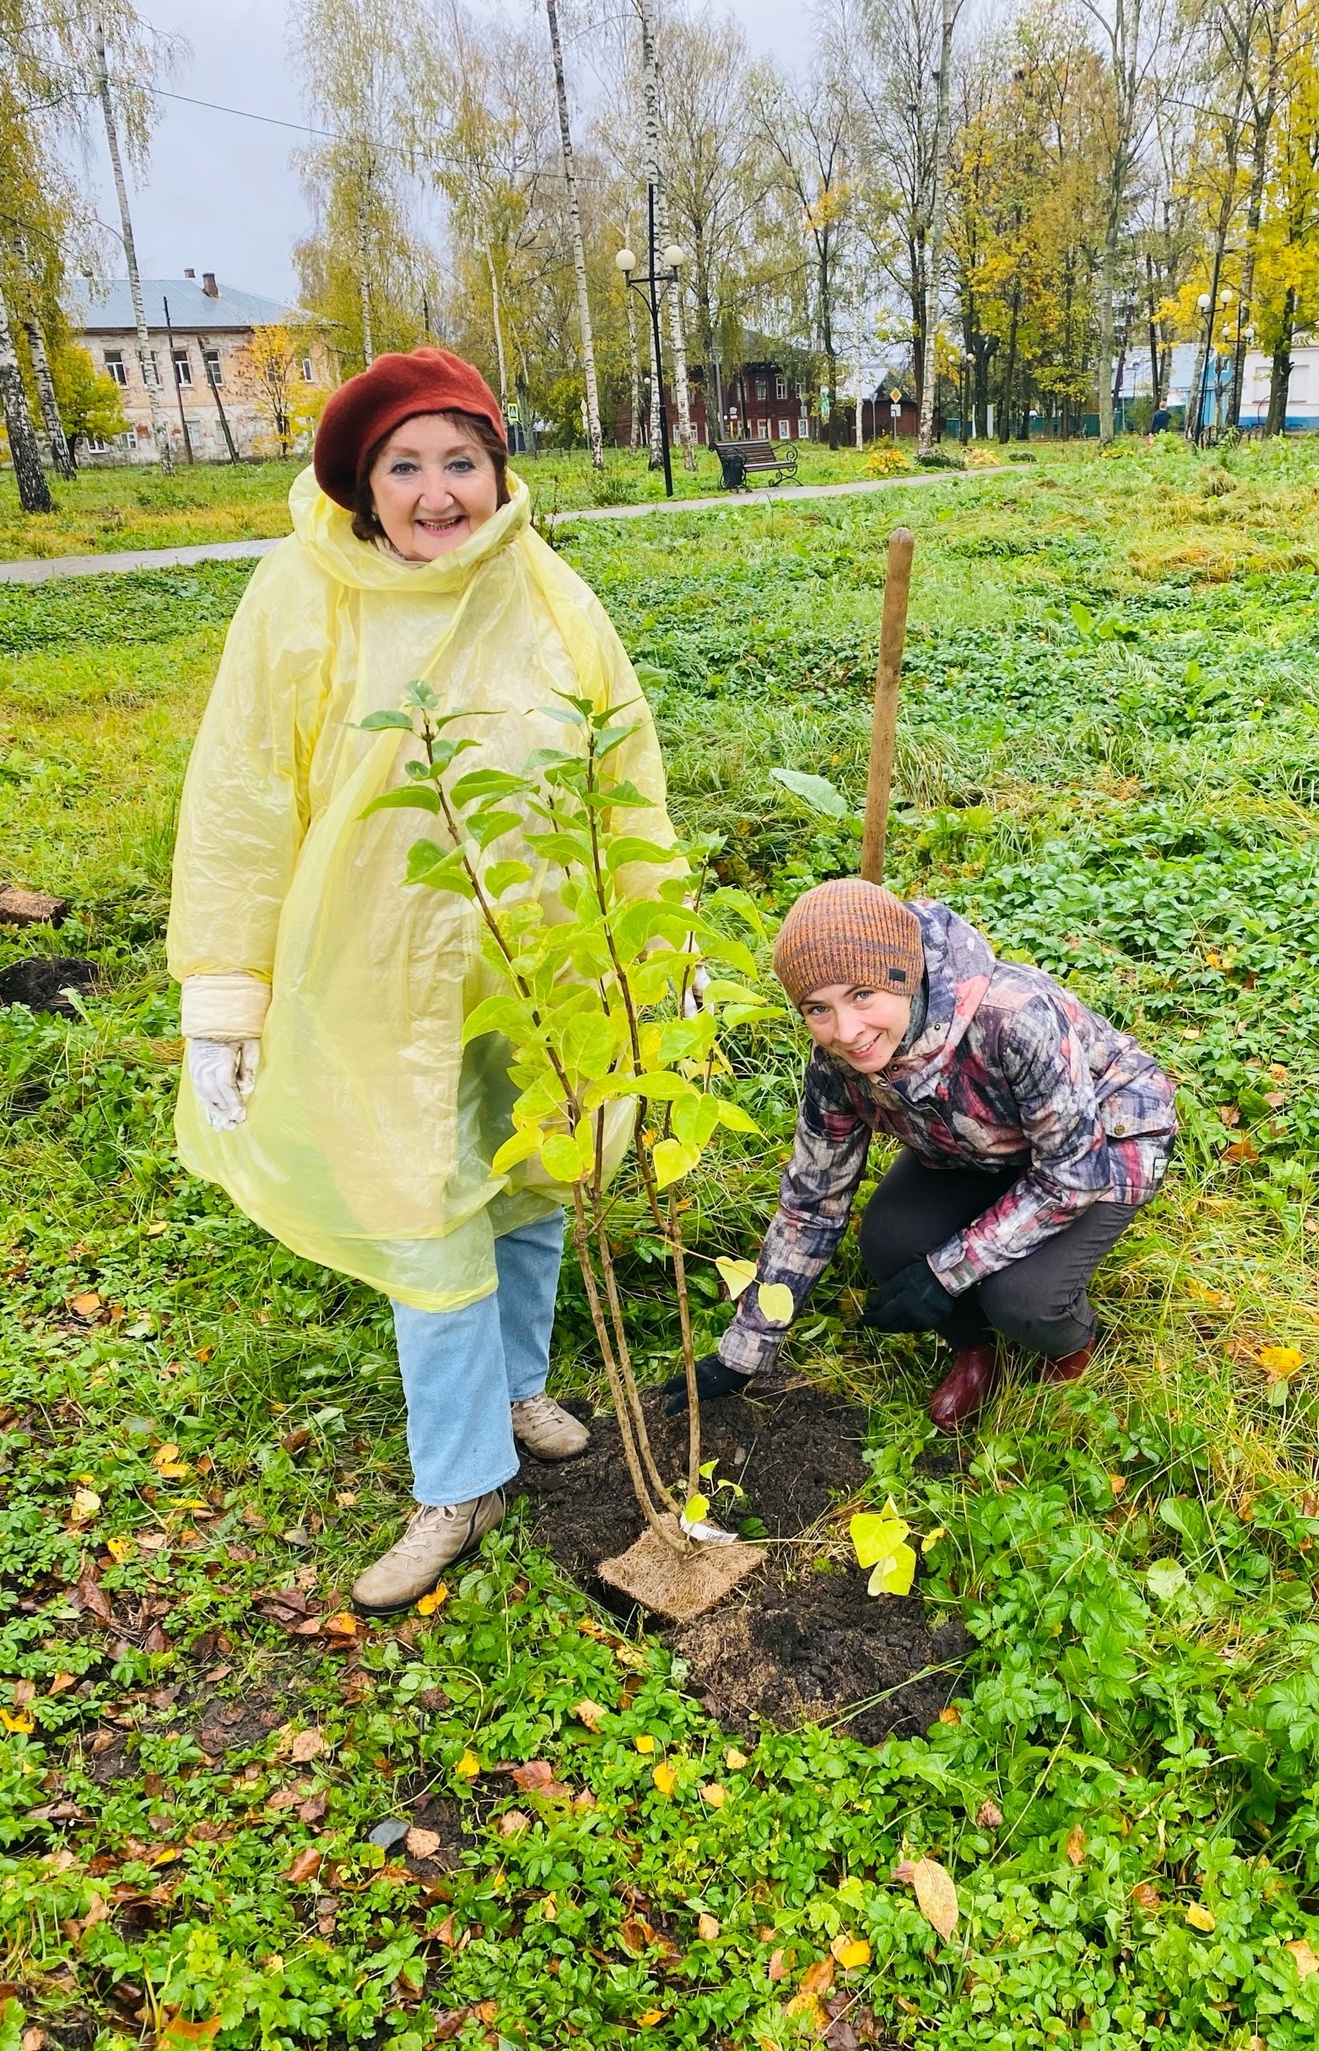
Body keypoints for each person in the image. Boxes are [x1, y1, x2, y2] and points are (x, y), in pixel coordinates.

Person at [167, 347, 681, 1611]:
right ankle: (459, 1481)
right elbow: (242, 798)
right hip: (371, 978)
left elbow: (627, 776)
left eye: (462, 461)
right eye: (407, 465)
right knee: (420, 1207)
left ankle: (516, 1388)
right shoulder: (302, 601)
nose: (438, 492)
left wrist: (651, 956)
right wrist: (227, 994)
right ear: (364, 483)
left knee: (537, 1173)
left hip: (538, 967)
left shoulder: (551, 595)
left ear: (498, 473)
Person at [682, 880, 1177, 1432]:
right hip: (976, 1149)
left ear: (906, 974)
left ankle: (1070, 1347)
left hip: (1101, 1145)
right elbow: (811, 1204)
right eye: (818, 1008)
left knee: (1022, 1299)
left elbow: (1072, 1176)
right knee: (891, 1240)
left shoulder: (1014, 1018)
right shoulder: (836, 1064)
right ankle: (976, 1347)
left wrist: (947, 1272)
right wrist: (746, 1348)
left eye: (862, 995)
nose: (846, 1032)